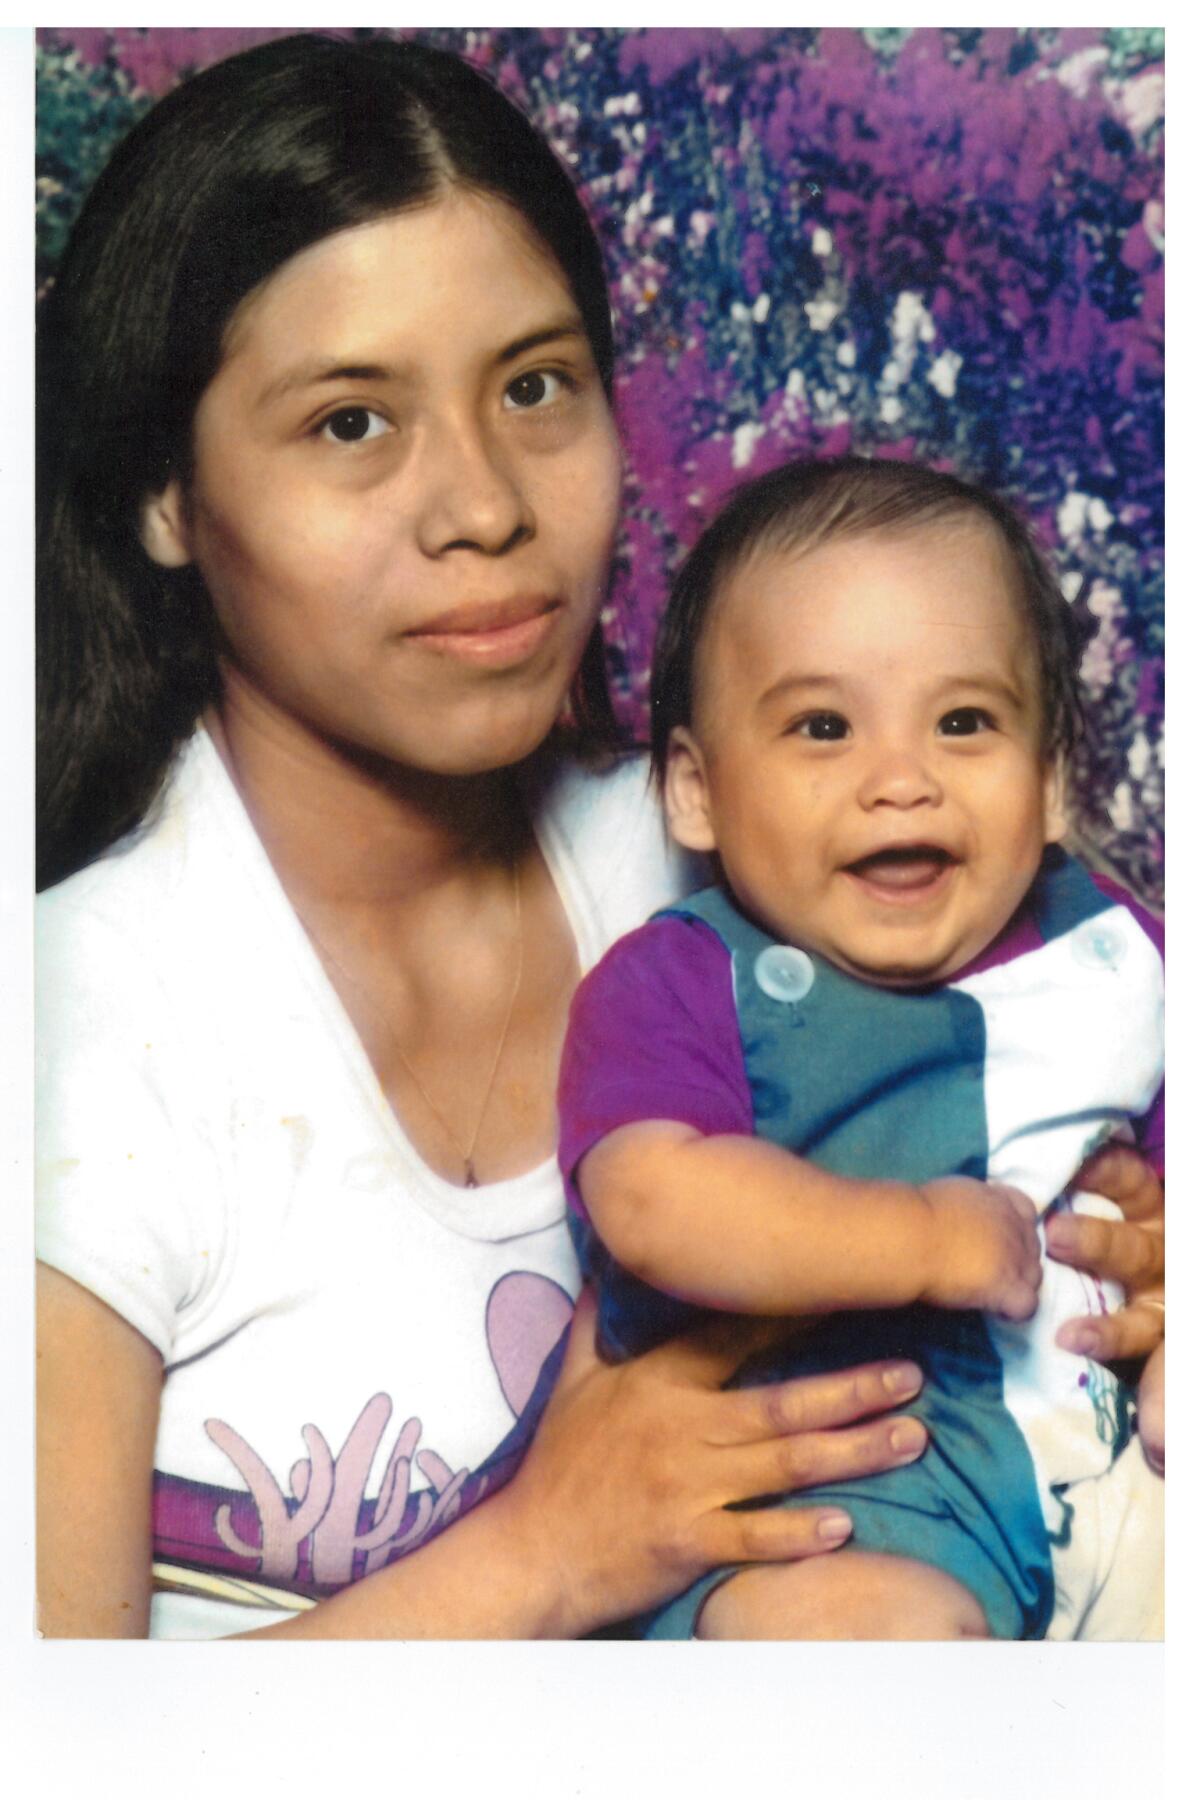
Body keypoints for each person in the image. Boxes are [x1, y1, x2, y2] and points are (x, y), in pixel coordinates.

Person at [34, 34, 1162, 1642]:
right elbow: (58, 1744)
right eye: (352, 423)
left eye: (536, 386)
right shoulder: (75, 1032)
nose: (484, 503)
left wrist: (1125, 1272)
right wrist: (543, 1554)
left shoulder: (764, 840)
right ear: (163, 492)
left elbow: (1066, 1115)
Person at [560, 456, 1165, 1640]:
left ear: (1048, 783)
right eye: (823, 727)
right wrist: (924, 1239)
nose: (903, 780)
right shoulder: (683, 979)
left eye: (965, 722)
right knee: (866, 1656)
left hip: (1115, 1466)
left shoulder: (1120, 951)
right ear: (696, 792)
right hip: (846, 1496)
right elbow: (655, 1201)